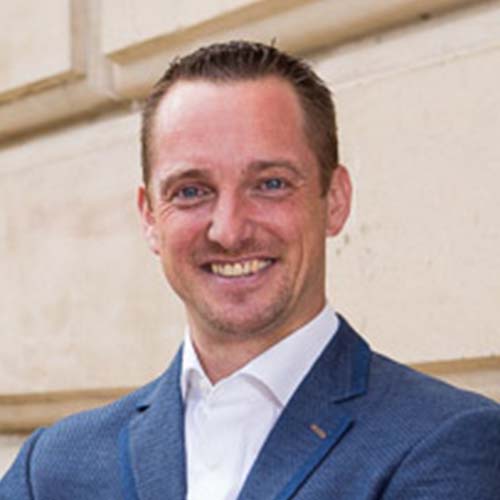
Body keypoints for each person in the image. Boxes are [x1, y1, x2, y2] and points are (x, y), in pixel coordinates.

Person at [1, 40, 499, 500]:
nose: (229, 230)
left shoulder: (448, 442)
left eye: (271, 184)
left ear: (335, 200)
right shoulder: (52, 470)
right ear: (150, 217)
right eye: (191, 191)